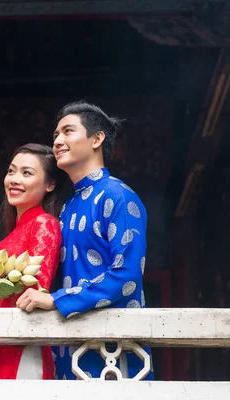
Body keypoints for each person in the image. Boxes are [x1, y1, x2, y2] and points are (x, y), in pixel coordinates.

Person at [16, 101, 153, 380]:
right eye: (55, 135)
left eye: (67, 131)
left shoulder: (118, 196)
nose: (58, 141)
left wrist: (58, 300)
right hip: (70, 347)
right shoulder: (67, 208)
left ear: (97, 138)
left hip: (112, 350)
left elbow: (127, 276)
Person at [0, 143, 64, 380]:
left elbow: (35, 292)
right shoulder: (14, 233)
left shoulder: (44, 224)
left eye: (27, 173)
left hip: (18, 348)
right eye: (11, 171)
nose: (14, 179)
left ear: (50, 185)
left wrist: (0, 294)